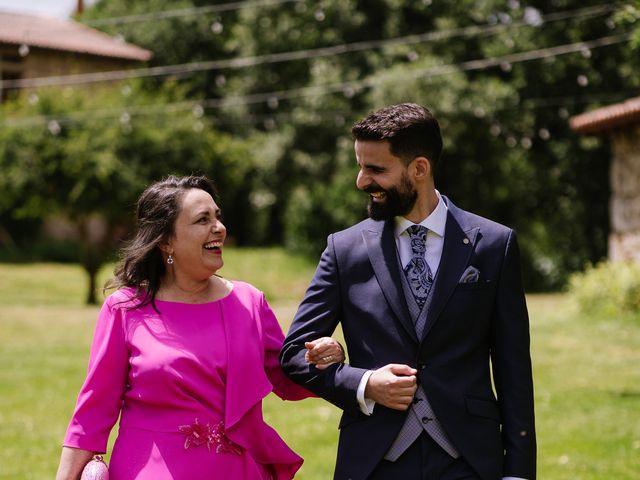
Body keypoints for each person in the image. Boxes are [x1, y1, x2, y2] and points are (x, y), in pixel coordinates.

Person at [280, 103, 536, 480]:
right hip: (374, 461)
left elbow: (515, 372)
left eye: (376, 169)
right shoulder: (344, 249)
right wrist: (364, 384)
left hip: (469, 460)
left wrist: (518, 474)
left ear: (419, 168)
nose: (361, 181)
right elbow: (293, 354)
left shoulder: (494, 245)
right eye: (360, 166)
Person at [56, 175, 344, 480]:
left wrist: (326, 359)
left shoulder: (249, 302)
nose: (218, 228)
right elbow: (93, 411)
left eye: (217, 217)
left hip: (237, 472)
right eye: (202, 220)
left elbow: (289, 379)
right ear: (166, 241)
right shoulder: (124, 309)